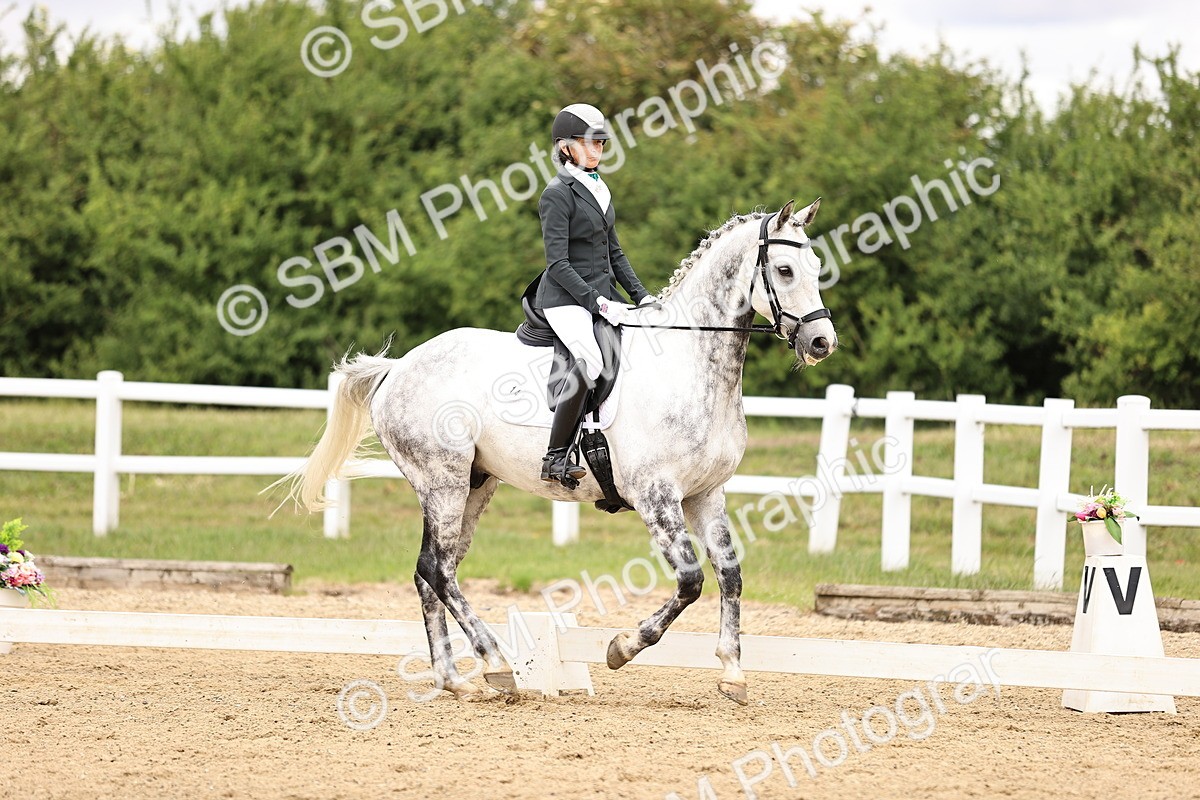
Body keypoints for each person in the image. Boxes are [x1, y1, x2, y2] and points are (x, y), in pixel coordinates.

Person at [535, 103, 655, 485]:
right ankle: (555, 458)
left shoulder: (600, 189)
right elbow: (558, 263)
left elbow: (613, 253)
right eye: (587, 143)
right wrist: (598, 302)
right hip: (564, 298)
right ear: (565, 147)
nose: (596, 150)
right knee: (588, 359)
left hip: (601, 295)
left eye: (600, 143)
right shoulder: (557, 194)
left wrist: (642, 297)